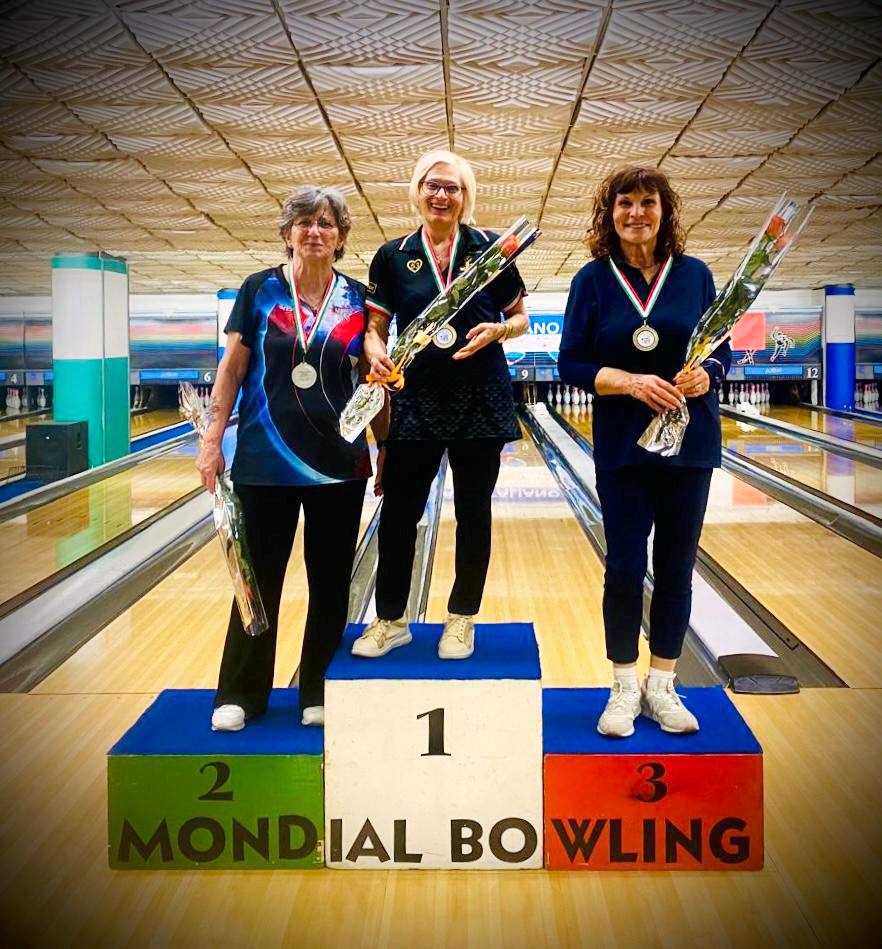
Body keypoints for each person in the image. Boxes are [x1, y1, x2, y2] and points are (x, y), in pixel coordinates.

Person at [197, 185, 384, 731]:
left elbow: (373, 381)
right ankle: (241, 693)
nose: (315, 231)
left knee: (330, 583)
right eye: (305, 222)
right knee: (257, 580)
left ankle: (317, 690)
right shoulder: (259, 290)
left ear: (341, 237)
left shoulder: (359, 299)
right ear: (287, 233)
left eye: (327, 223)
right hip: (263, 460)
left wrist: (386, 448)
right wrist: (211, 440)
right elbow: (232, 369)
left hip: (338, 461)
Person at [559, 165, 731, 737]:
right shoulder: (592, 279)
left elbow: (722, 348)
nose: (636, 213)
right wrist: (630, 382)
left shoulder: (695, 274)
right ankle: (623, 687)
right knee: (625, 567)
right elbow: (571, 364)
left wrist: (709, 373)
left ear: (665, 211)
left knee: (678, 566)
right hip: (623, 446)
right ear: (609, 215)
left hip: (691, 443)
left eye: (648, 202)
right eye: (625, 203)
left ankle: (663, 685)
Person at [351, 149, 530, 660]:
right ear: (418, 191)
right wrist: (375, 353)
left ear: (465, 196)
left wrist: (500, 330)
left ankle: (461, 619)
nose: (441, 195)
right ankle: (391, 620)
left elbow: (519, 317)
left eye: (452, 187)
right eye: (433, 185)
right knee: (399, 513)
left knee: (474, 513)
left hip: (481, 397)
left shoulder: (492, 249)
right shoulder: (393, 255)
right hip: (416, 396)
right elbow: (375, 327)